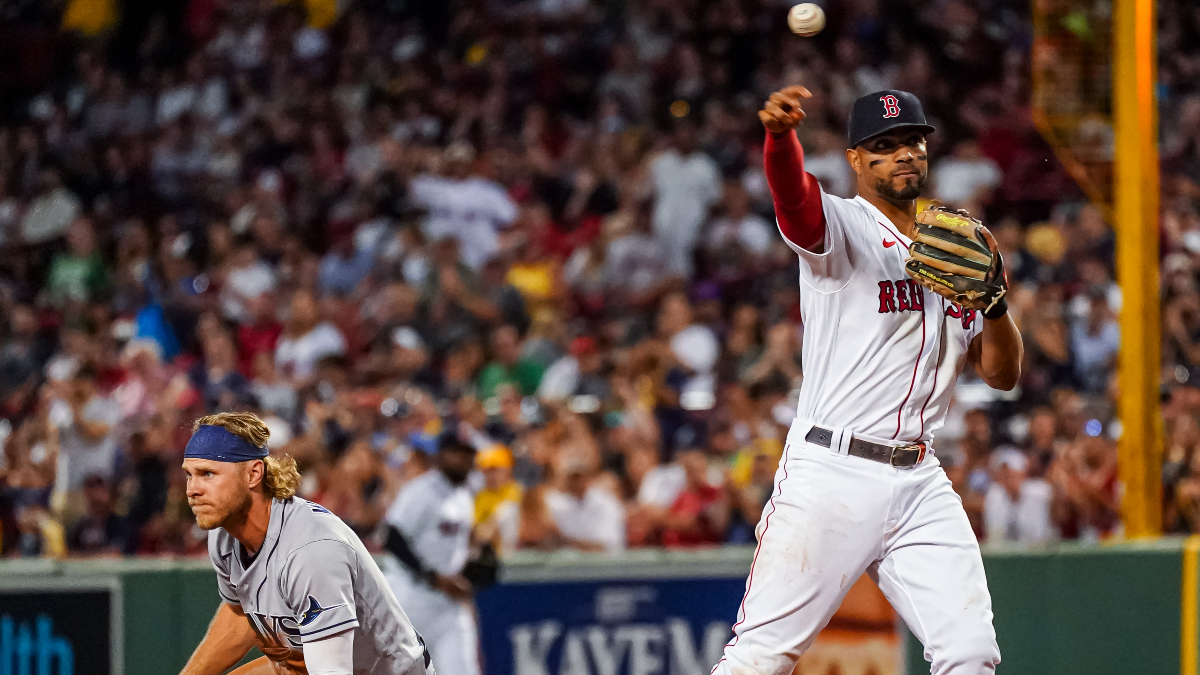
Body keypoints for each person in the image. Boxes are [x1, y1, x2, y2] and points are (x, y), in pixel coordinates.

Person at [711, 88, 1023, 675]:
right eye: (883, 146)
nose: (903, 153)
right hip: (833, 471)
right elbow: (794, 200)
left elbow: (1003, 374)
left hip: (921, 478)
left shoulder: (957, 245)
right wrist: (781, 141)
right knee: (761, 657)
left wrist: (998, 303)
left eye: (911, 140)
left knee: (971, 652)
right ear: (856, 159)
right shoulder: (842, 229)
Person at [179, 412, 432, 675]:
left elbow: (332, 671)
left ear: (254, 474)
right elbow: (241, 615)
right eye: (190, 475)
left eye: (207, 474)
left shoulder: (312, 549)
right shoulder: (225, 533)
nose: (192, 489)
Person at [381, 435, 481, 675]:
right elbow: (392, 537)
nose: (463, 460)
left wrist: (469, 574)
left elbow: (458, 547)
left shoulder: (464, 495)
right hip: (410, 598)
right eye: (457, 453)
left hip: (448, 603)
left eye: (467, 454)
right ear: (441, 456)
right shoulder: (422, 491)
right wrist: (431, 576)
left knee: (463, 669)